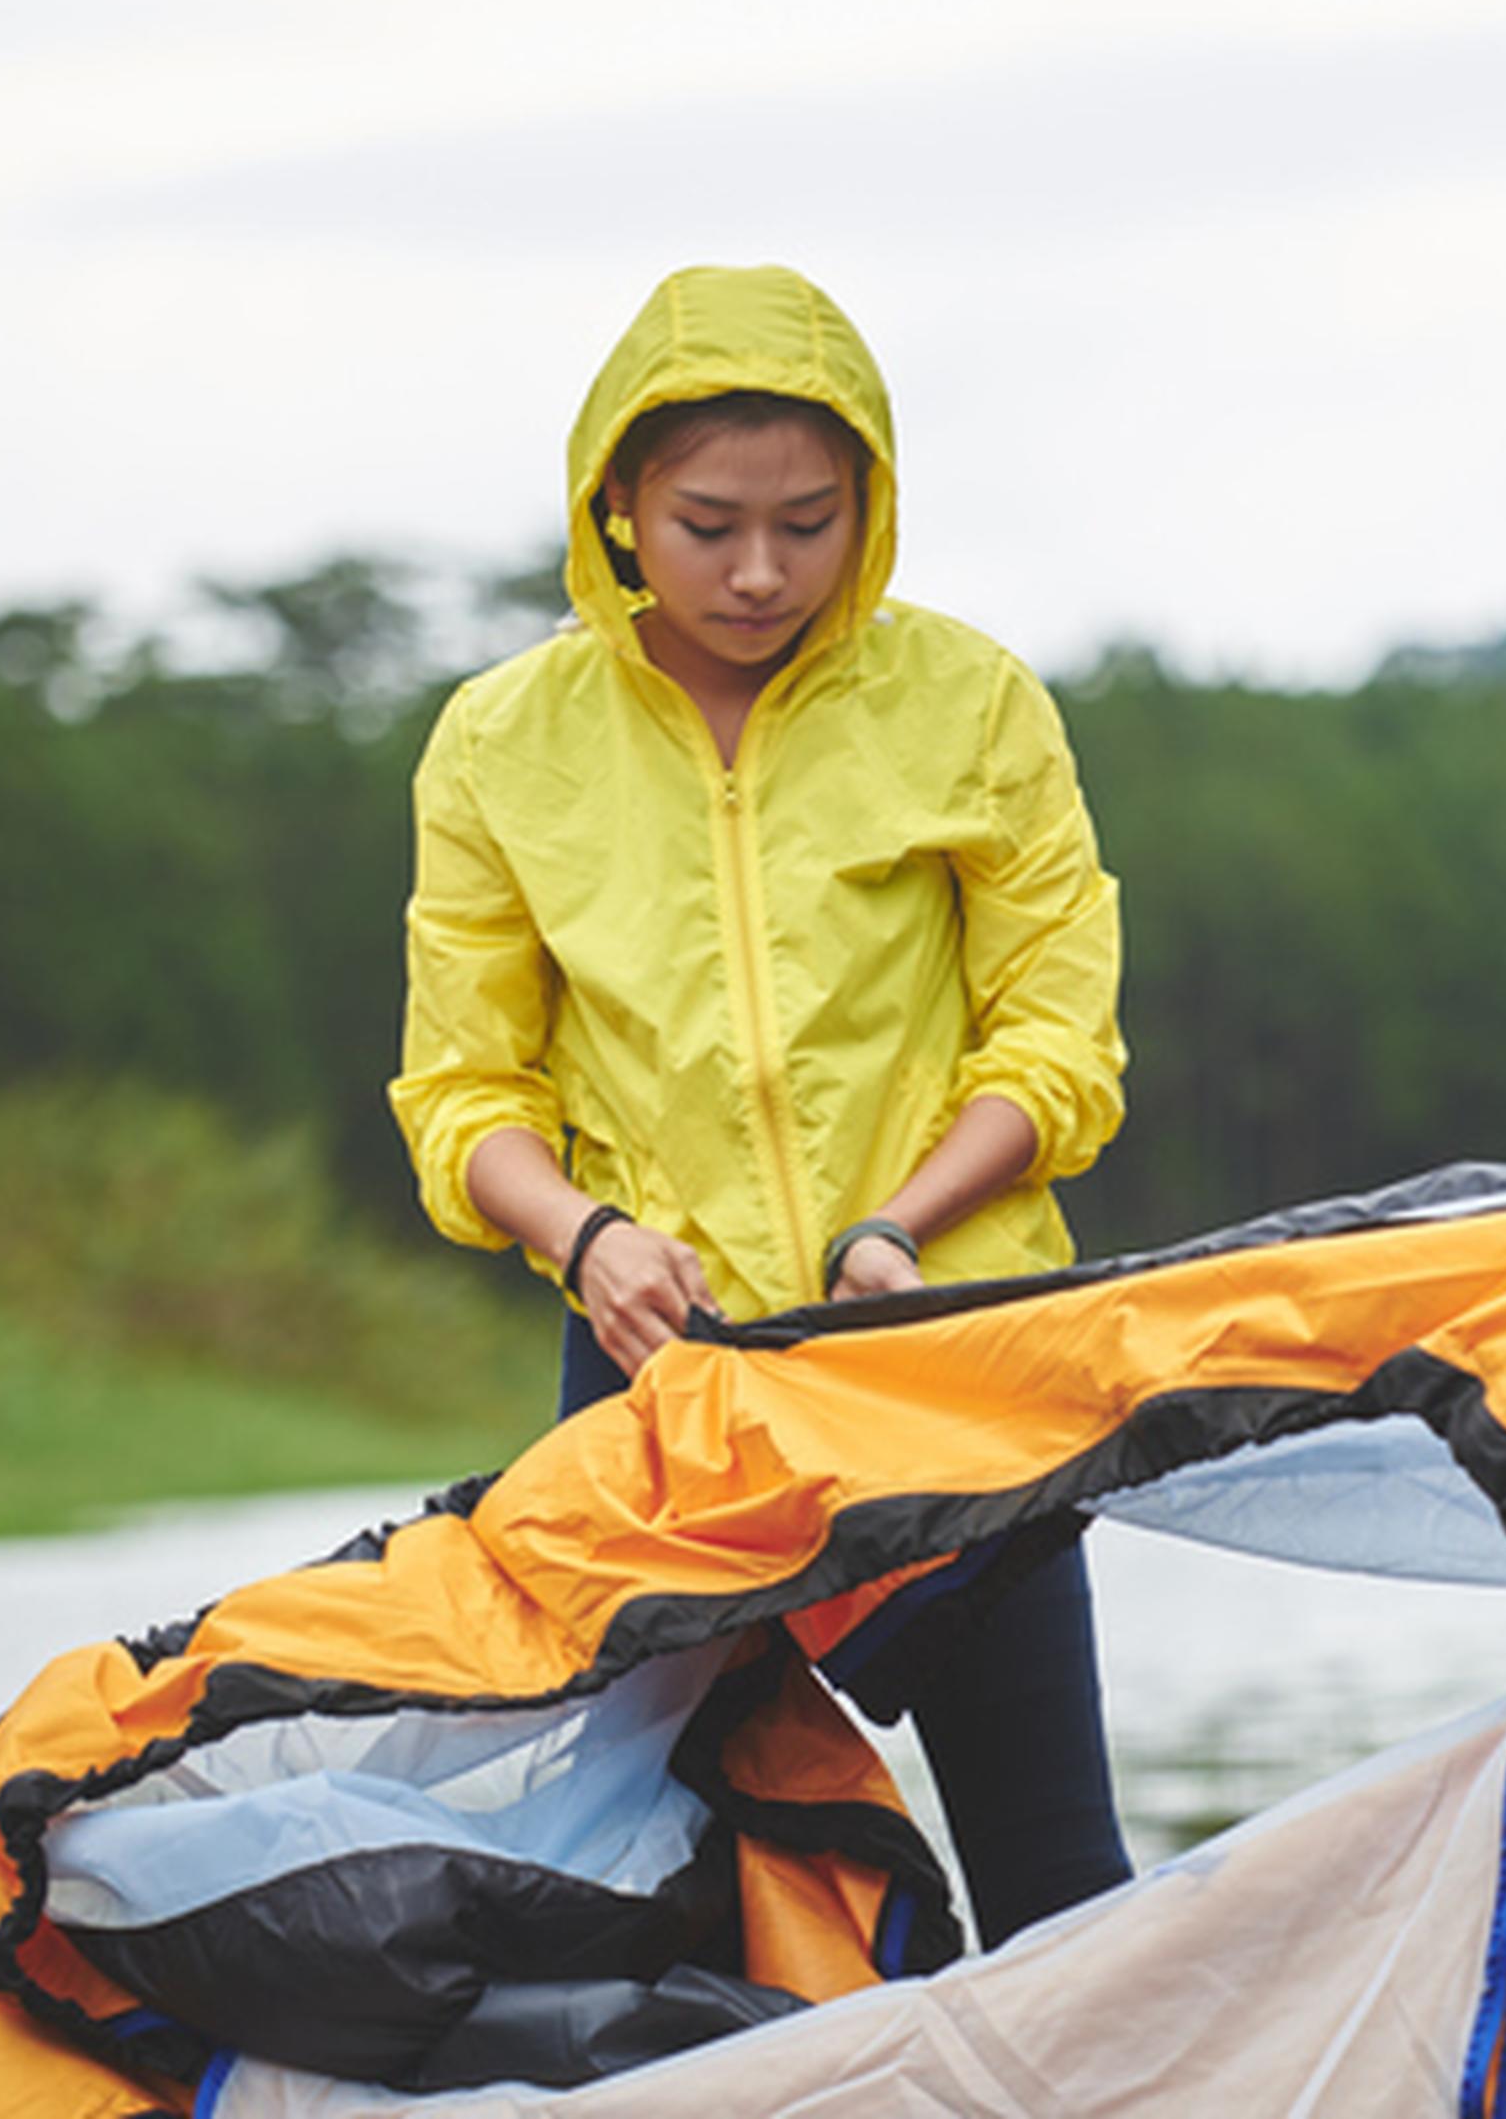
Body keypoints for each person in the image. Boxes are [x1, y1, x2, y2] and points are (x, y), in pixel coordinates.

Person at [390, 261, 1135, 1947]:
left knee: (1056, 1879)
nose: (756, 570)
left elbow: (1055, 1041)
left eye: (808, 521)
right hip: (670, 1387)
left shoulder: (972, 704)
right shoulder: (502, 742)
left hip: (952, 1347)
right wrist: (587, 1239)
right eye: (708, 519)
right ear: (616, 509)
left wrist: (899, 1227)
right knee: (689, 1900)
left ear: (868, 505)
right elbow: (464, 1087)